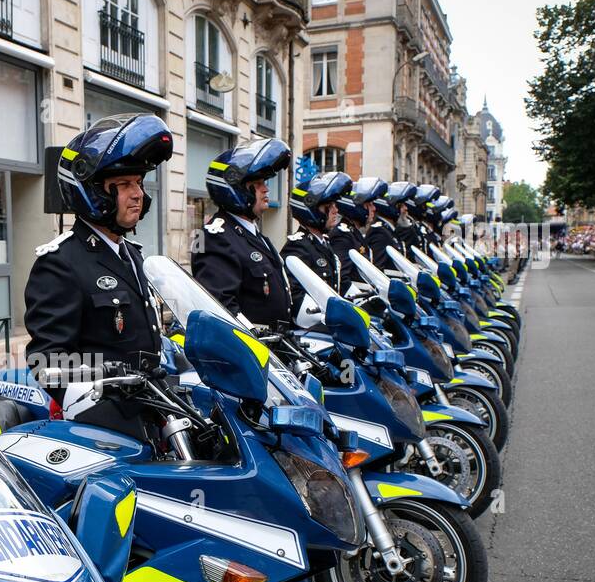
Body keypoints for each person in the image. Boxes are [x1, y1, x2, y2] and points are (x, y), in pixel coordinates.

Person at [23, 113, 173, 435]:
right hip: (108, 426)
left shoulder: (131, 254)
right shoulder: (61, 262)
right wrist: (104, 386)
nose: (138, 194)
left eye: (140, 183)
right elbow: (47, 362)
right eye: (124, 185)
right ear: (94, 192)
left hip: (155, 410)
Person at [191, 138, 293, 329]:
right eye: (257, 183)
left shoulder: (256, 236)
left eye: (265, 182)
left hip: (278, 351)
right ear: (236, 189)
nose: (266, 188)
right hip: (253, 351)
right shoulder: (215, 237)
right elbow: (222, 307)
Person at [281, 171, 351, 318]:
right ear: (311, 209)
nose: (335, 210)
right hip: (312, 332)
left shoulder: (324, 243)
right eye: (328, 206)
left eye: (334, 205)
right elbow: (296, 297)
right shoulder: (298, 247)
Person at [331, 176, 389, 287]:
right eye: (370, 204)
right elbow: (343, 281)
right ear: (356, 206)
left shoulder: (353, 233)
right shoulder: (342, 236)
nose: (374, 209)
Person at [368, 181, 416, 271]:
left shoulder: (389, 230)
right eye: (401, 205)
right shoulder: (380, 232)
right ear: (391, 206)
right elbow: (378, 269)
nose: (406, 208)